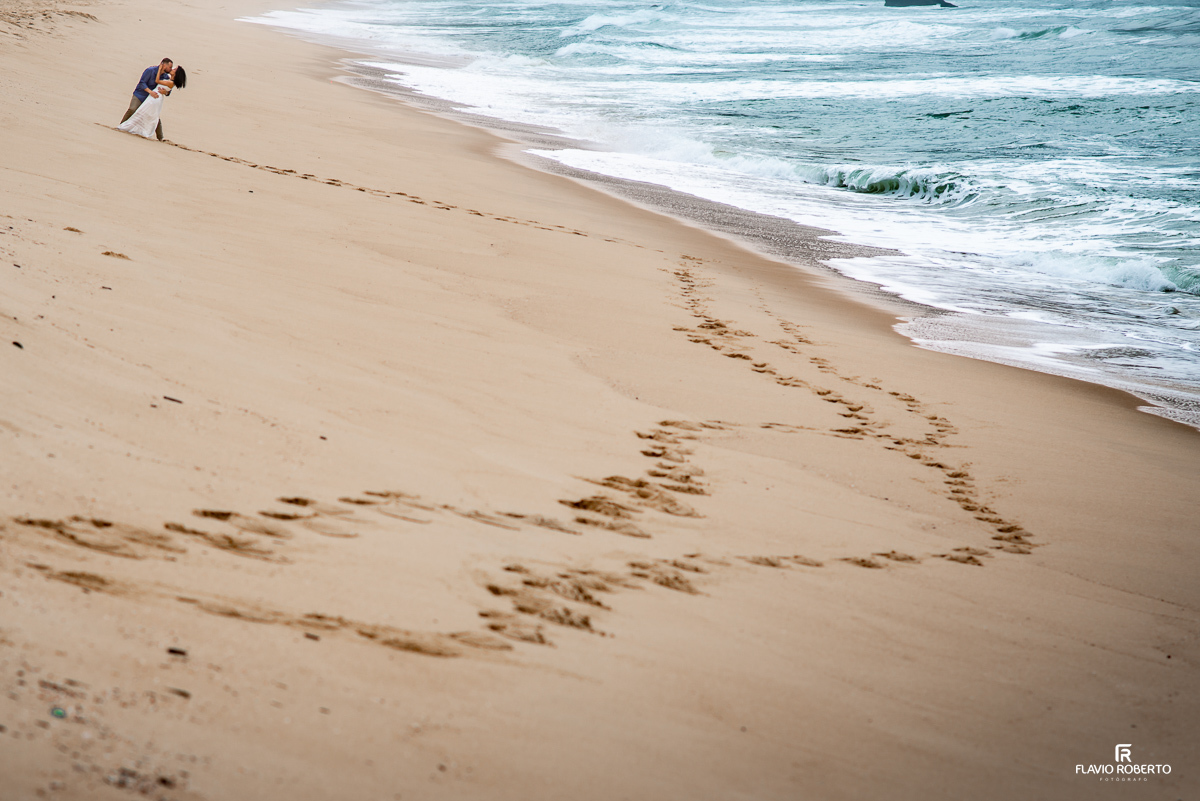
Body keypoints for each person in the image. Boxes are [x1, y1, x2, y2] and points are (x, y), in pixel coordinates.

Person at [118, 65, 187, 141]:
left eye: (174, 69)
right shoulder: (151, 70)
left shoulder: (166, 77)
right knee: (139, 111)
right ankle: (123, 125)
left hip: (154, 98)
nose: (171, 69)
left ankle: (159, 136)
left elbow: (165, 87)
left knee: (152, 115)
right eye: (170, 67)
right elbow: (142, 82)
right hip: (144, 95)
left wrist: (166, 92)